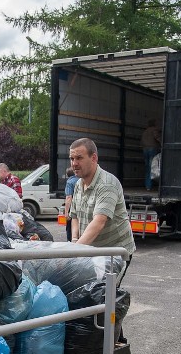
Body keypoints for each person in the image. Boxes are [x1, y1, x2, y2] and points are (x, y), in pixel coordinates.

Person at [68, 138, 136, 284]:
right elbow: (74, 216)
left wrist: (74, 252)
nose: (74, 163)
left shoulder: (107, 184)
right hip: (93, 250)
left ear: (94, 158)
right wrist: (74, 241)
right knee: (92, 294)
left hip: (115, 253)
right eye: (72, 158)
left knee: (106, 296)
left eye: (79, 158)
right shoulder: (79, 184)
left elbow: (99, 222)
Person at [141, 119, 161, 190]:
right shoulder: (154, 130)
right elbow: (157, 137)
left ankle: (148, 186)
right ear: (154, 124)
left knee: (147, 168)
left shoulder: (145, 131)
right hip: (152, 149)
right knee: (152, 167)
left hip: (145, 149)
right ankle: (153, 185)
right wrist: (161, 143)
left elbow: (142, 140)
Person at [63, 166, 76, 242]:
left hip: (73, 209)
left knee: (70, 229)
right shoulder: (82, 180)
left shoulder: (70, 182)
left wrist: (66, 212)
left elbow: (68, 197)